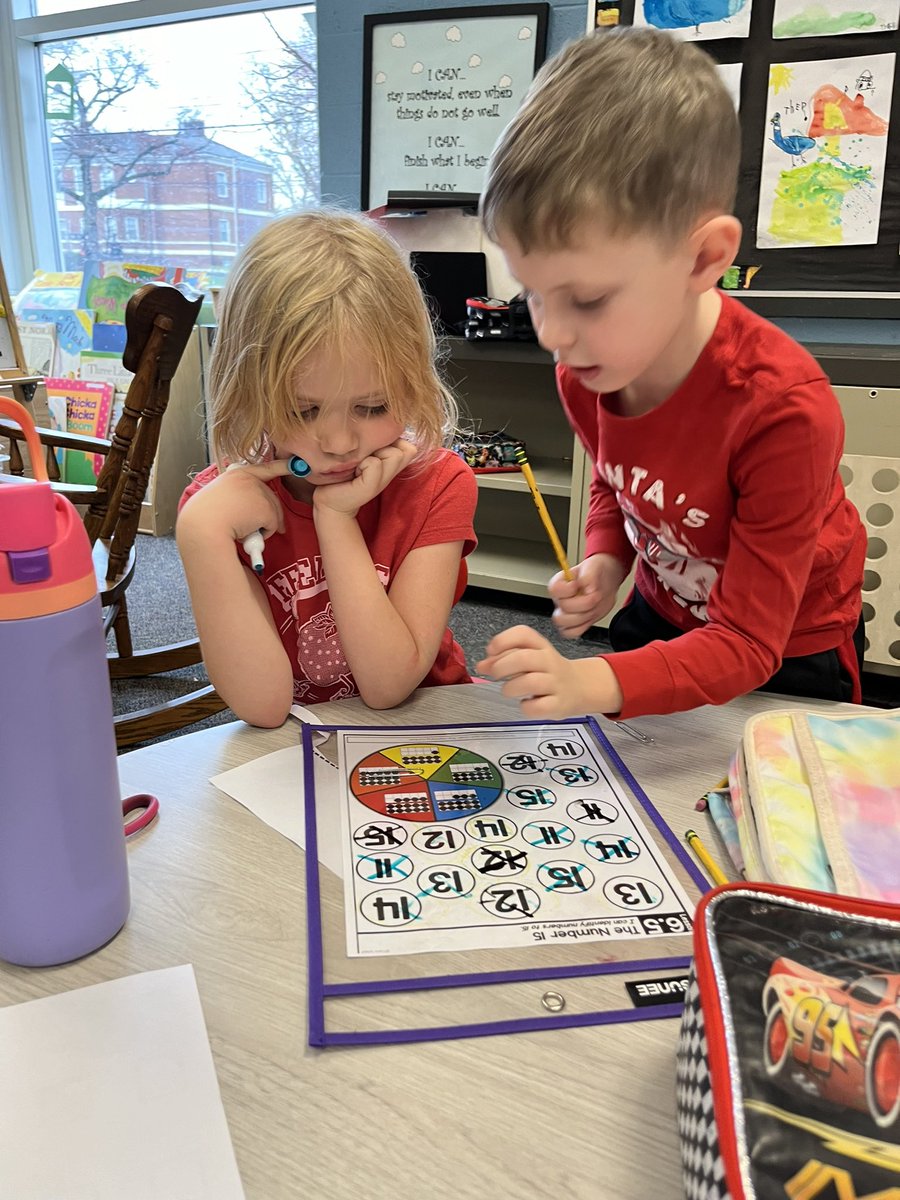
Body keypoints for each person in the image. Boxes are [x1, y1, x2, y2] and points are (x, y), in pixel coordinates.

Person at [476, 27, 866, 721]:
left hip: (789, 646)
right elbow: (614, 474)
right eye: (532, 292)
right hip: (662, 611)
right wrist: (606, 558)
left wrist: (591, 682)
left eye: (588, 298)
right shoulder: (587, 365)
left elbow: (748, 641)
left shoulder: (783, 408)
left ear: (702, 258)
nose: (552, 335)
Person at [177, 210, 477, 726]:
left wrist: (335, 519)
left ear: (412, 386)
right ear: (246, 390)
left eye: (374, 406)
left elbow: (388, 686)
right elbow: (264, 708)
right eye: (302, 410)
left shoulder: (437, 483)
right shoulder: (218, 511)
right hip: (296, 746)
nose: (340, 444)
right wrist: (198, 535)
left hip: (426, 725)